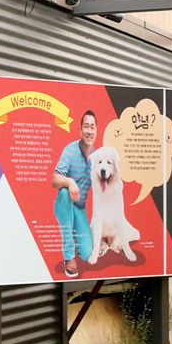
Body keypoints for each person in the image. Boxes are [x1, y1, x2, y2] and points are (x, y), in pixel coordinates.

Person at [50, 109, 98, 275]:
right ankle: (69, 255)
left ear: (96, 130)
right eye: (86, 126)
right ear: (80, 130)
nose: (89, 131)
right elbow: (54, 179)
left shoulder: (97, 158)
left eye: (92, 127)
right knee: (64, 193)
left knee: (87, 254)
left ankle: (77, 238)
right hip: (65, 203)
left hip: (80, 208)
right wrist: (70, 182)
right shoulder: (69, 151)